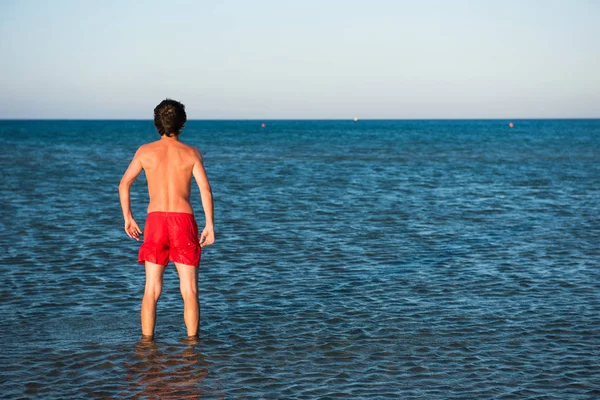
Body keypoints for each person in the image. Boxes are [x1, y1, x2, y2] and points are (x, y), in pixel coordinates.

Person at [119, 99, 214, 339]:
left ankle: (147, 345)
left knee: (151, 289)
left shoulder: (145, 151)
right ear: (182, 124)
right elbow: (205, 189)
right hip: (183, 221)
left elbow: (124, 183)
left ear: (156, 124)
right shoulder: (191, 153)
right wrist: (210, 224)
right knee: (189, 289)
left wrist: (128, 217)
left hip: (155, 222)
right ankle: (193, 347)